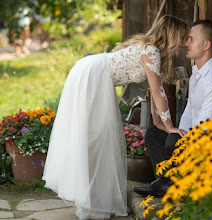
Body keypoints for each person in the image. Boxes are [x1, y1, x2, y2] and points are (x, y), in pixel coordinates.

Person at [42, 15, 188, 220]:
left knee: (96, 140)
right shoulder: (151, 51)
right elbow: (157, 92)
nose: (183, 43)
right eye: (182, 37)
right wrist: (170, 126)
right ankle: (91, 202)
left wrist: (158, 122)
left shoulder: (154, 53)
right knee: (95, 140)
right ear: (171, 35)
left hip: (95, 76)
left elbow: (155, 91)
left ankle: (93, 201)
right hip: (93, 76)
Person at [133, 19, 212, 197]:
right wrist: (177, 132)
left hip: (207, 144)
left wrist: (179, 138)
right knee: (154, 133)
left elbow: (205, 127)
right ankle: (167, 183)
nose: (186, 43)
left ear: (206, 45)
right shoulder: (196, 76)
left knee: (173, 140)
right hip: (191, 138)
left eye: (191, 39)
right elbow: (188, 113)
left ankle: (171, 185)